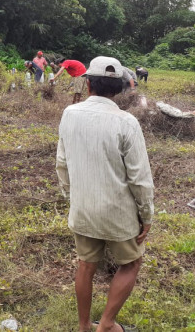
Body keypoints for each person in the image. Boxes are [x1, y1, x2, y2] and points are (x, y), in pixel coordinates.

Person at [56, 56, 154, 332]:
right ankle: (108, 325)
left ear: (88, 84)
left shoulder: (69, 113)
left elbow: (61, 163)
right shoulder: (126, 122)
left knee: (86, 265)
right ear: (121, 88)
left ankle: (85, 325)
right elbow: (140, 178)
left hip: (83, 207)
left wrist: (71, 197)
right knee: (131, 263)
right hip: (118, 213)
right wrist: (147, 215)